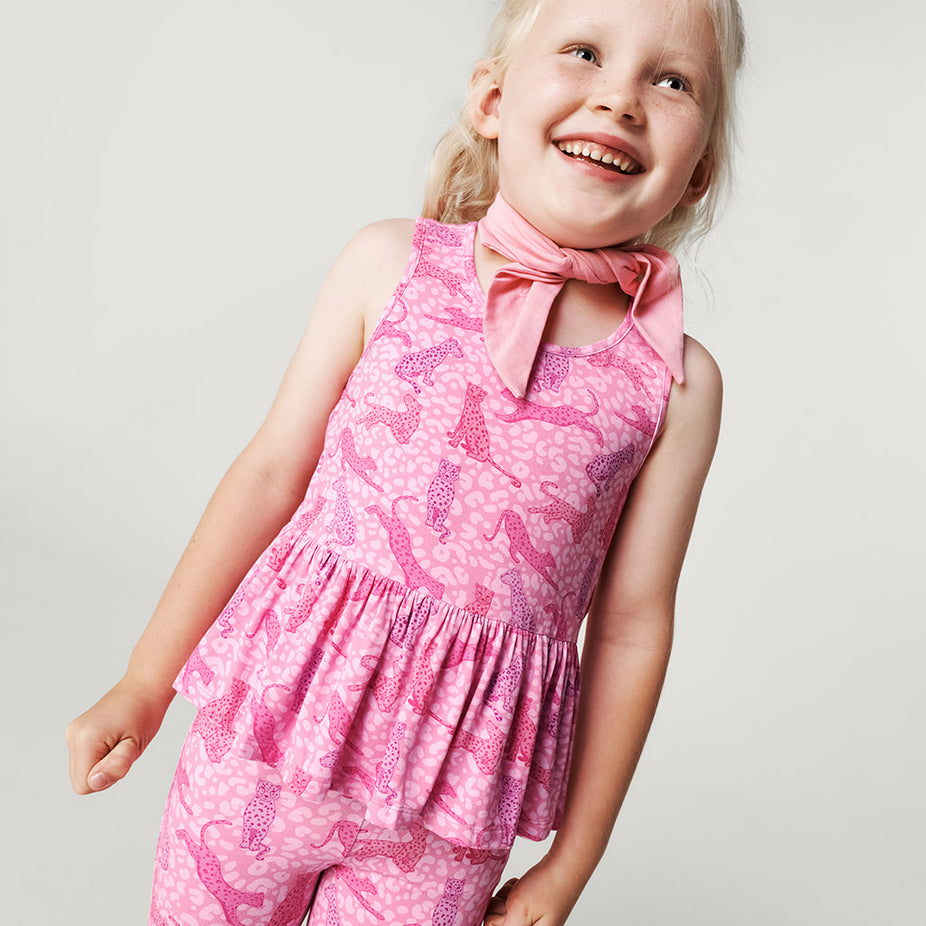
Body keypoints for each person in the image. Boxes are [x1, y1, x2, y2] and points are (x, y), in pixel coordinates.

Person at [66, 0, 745, 922]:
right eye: (585, 52)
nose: (620, 98)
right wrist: (145, 682)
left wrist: (572, 861)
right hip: (267, 735)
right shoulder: (388, 265)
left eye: (671, 81)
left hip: (452, 806)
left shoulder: (673, 385)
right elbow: (270, 473)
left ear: (700, 171)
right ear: (492, 100)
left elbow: (630, 628)